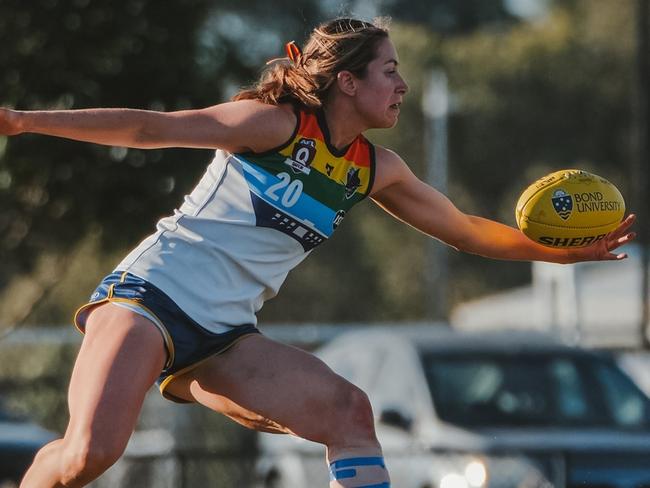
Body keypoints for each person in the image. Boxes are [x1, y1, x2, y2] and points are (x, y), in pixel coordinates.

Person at [0, 17, 635, 488]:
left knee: (349, 412)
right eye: (389, 71)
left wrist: (558, 254)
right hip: (152, 299)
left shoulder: (373, 168)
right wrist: (23, 121)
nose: (403, 85)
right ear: (347, 81)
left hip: (224, 334)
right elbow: (152, 129)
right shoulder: (273, 124)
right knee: (90, 455)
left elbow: (465, 230)